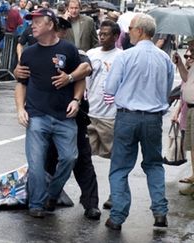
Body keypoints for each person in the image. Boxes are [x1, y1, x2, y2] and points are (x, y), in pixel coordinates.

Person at [103, 13, 174, 230]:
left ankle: (117, 216)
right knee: (153, 164)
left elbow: (110, 89)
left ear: (140, 31)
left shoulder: (125, 57)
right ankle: (160, 212)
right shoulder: (164, 58)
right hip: (153, 118)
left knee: (120, 167)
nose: (128, 32)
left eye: (131, 28)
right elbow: (167, 90)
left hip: (128, 116)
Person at [14, 8, 82, 218]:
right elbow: (20, 83)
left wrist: (76, 100)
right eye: (31, 22)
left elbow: (80, 77)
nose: (31, 26)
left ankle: (51, 195)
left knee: (70, 158)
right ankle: (36, 204)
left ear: (50, 25)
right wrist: (19, 109)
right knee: (36, 165)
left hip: (64, 116)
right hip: (37, 116)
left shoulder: (68, 50)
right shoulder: (29, 53)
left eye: (36, 22)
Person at [85, 20, 122, 210]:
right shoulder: (91, 54)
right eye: (100, 33)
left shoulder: (122, 57)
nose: (101, 37)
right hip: (90, 113)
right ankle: (84, 196)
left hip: (111, 116)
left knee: (116, 159)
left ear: (116, 37)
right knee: (80, 156)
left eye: (106, 34)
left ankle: (115, 195)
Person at [173, 38, 194, 185]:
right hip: (190, 109)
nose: (190, 50)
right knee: (191, 146)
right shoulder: (192, 65)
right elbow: (186, 78)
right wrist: (180, 63)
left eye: (192, 47)